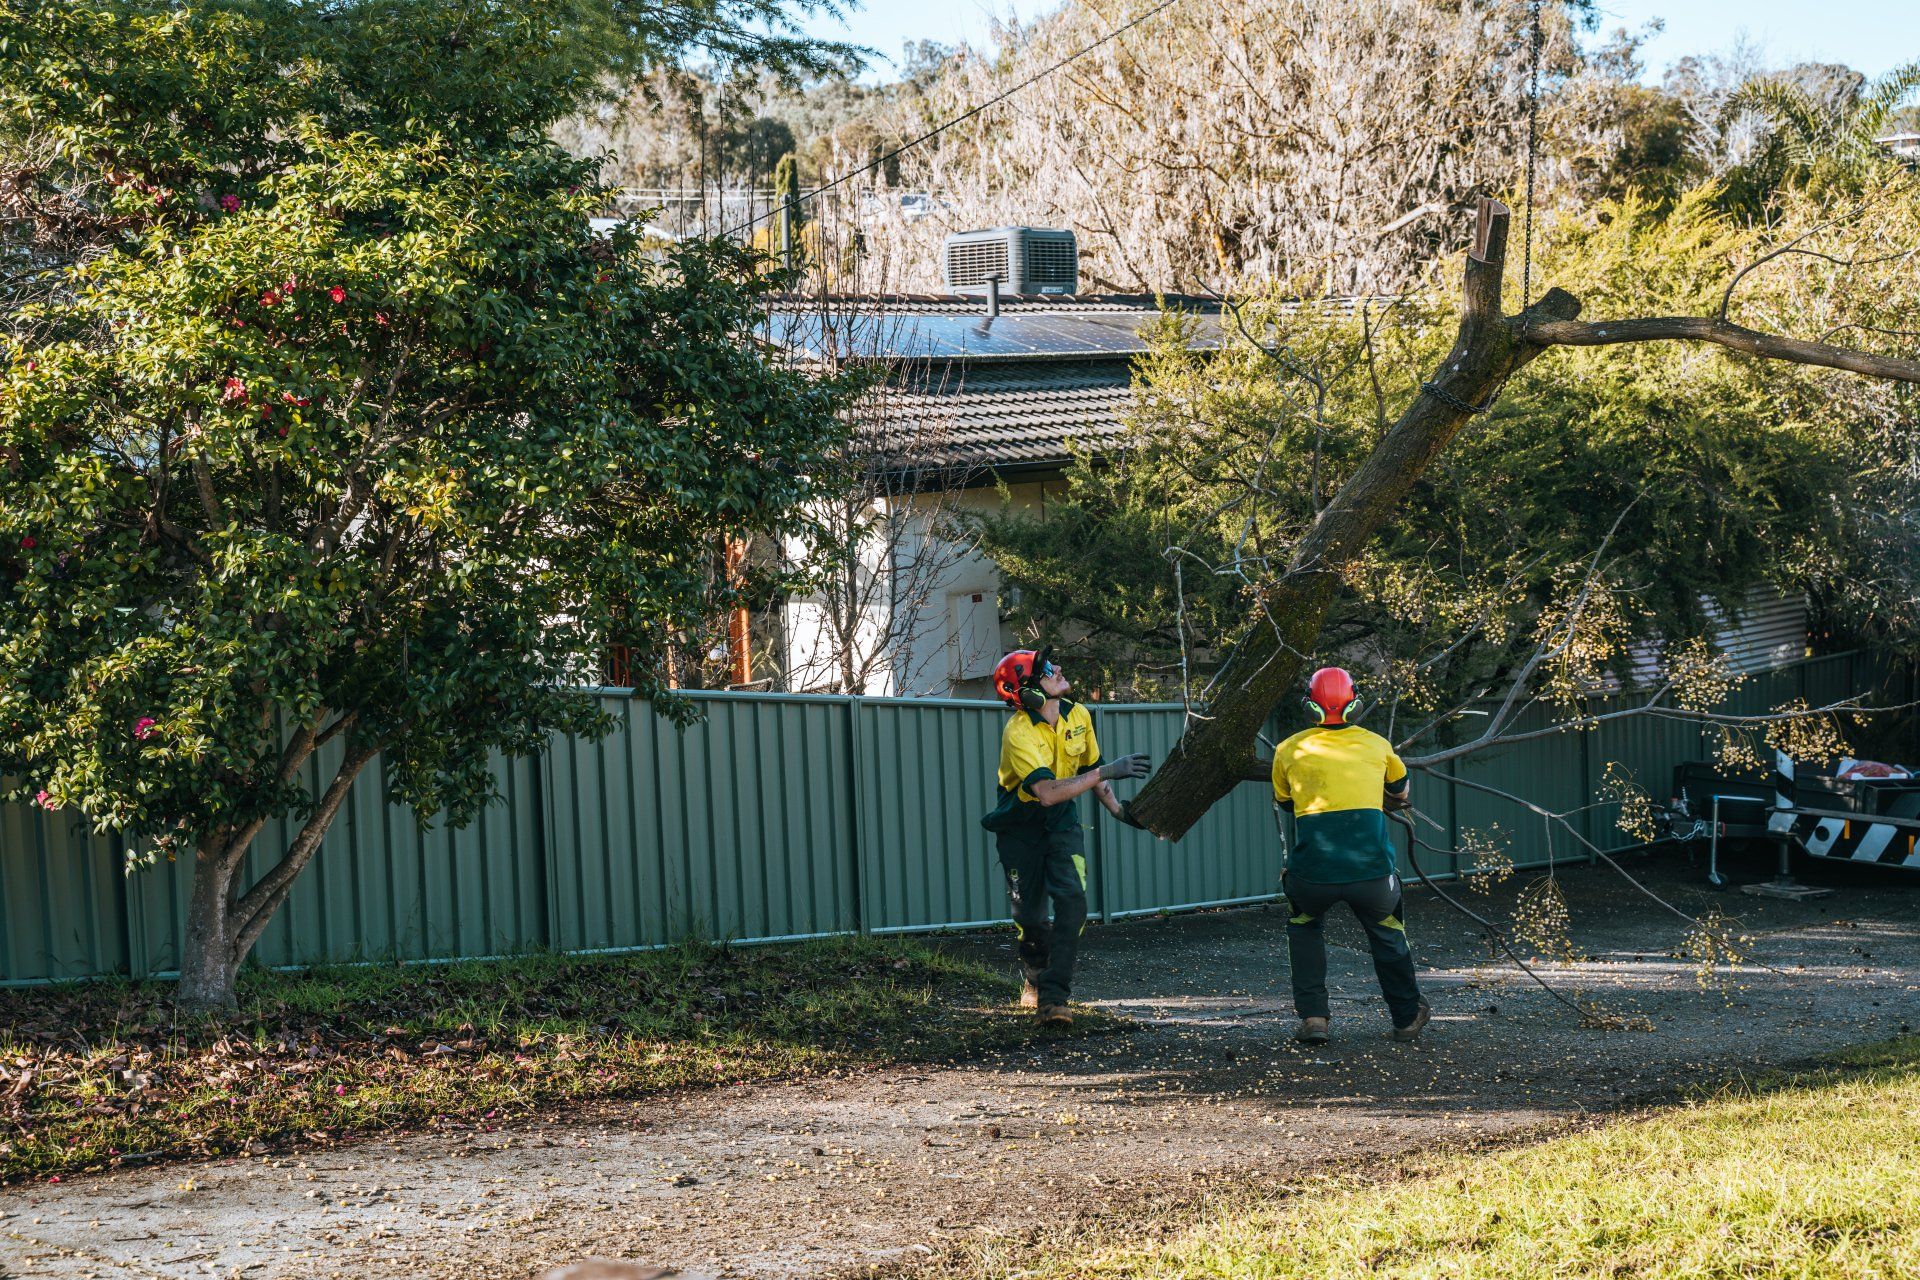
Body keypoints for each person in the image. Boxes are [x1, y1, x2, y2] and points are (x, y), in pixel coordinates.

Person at [981, 648, 1151, 1026]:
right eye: (1046, 670)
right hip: (1019, 830)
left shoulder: (1079, 715)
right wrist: (1109, 769)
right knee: (1030, 917)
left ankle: (1054, 999)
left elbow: (1091, 773)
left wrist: (1119, 811)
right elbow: (1046, 792)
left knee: (1073, 904)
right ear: (1027, 692)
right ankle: (1034, 973)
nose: (1057, 669)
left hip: (1062, 826)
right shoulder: (1018, 732)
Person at [1269, 666, 1430, 1044]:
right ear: (1354, 702)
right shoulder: (1377, 745)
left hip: (1312, 875)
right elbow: (1402, 794)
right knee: (1388, 933)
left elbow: (1285, 802)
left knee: (1304, 928)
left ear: (1309, 705)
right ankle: (1406, 1018)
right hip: (1371, 875)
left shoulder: (1287, 749)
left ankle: (1314, 1020)